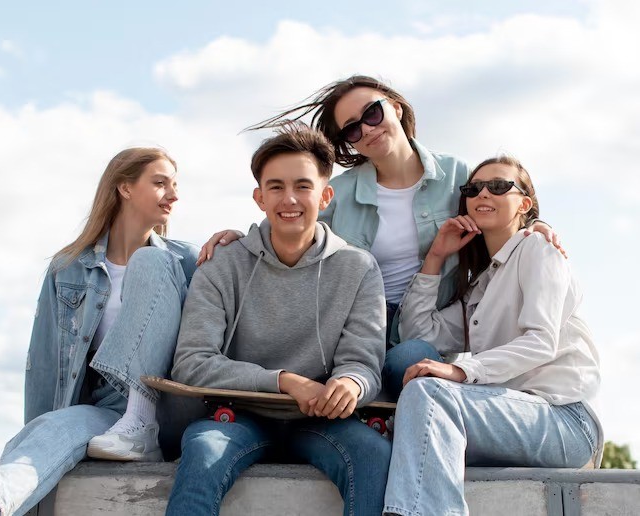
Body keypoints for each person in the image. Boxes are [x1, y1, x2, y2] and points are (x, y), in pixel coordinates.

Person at [200, 75, 563, 400]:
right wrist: (240, 237)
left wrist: (534, 224)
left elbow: (499, 205)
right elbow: (288, 221)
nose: (367, 130)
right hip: (351, 324)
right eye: (352, 130)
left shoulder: (457, 175)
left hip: (425, 328)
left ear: (397, 108)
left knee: (409, 360)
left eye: (372, 114)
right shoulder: (338, 192)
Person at [0, 147, 200, 516]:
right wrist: (43, 423)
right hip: (107, 407)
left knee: (149, 259)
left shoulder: (186, 261)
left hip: (170, 404)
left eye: (175, 184)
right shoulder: (68, 268)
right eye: (160, 183)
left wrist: (233, 238)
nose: (174, 194)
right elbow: (45, 360)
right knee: (49, 432)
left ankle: (142, 417)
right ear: (125, 188)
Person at [165, 125, 390, 516]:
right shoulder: (223, 265)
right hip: (240, 414)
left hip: (322, 420)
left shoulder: (358, 267)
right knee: (203, 449)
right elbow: (192, 362)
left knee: (373, 454)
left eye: (303, 186)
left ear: (325, 196)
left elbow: (365, 362)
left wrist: (351, 384)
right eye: (275, 187)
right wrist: (284, 381)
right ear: (259, 197)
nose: (289, 199)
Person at [382, 156, 601, 515]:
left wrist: (461, 370)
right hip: (508, 418)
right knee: (403, 426)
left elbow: (541, 341)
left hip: (564, 421)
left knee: (430, 393)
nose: (483, 193)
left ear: (524, 204)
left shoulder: (538, 249)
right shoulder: (482, 286)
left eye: (498, 186)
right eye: (473, 189)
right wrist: (436, 256)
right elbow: (419, 333)